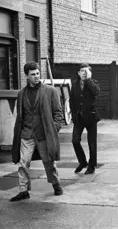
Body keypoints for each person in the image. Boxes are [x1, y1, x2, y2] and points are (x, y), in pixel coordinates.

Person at [11, 62, 63, 202]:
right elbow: (20, 115)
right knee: (23, 163)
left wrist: (55, 127)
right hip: (26, 134)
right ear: (27, 76)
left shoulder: (50, 91)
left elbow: (58, 112)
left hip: (44, 133)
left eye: (38, 73)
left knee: (49, 162)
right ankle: (23, 190)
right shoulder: (22, 93)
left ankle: (56, 185)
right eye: (33, 74)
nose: (36, 76)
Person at [70, 63, 101, 174]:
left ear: (90, 72)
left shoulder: (93, 83)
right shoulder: (75, 84)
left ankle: (91, 165)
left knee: (92, 143)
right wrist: (73, 115)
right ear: (78, 73)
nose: (84, 72)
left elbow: (96, 92)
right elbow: (72, 100)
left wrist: (88, 79)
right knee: (75, 140)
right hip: (79, 117)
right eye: (82, 70)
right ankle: (82, 162)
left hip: (91, 117)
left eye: (86, 71)